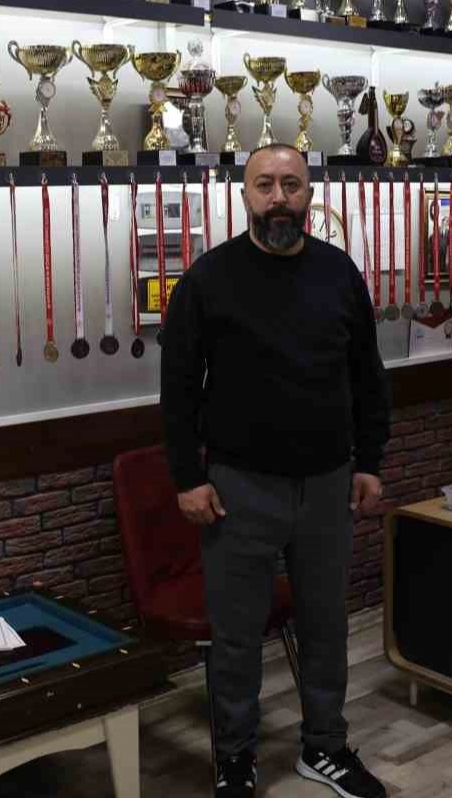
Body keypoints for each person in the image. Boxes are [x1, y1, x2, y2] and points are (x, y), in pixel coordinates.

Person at [161, 144, 391, 798]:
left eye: (291, 184)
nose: (278, 197)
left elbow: (367, 376)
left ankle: (324, 746)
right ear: (245, 196)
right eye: (265, 185)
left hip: (327, 484)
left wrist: (369, 461)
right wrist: (187, 477)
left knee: (325, 627)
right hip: (237, 490)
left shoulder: (339, 273)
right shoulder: (208, 279)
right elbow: (178, 389)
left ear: (309, 195)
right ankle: (235, 758)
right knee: (236, 638)